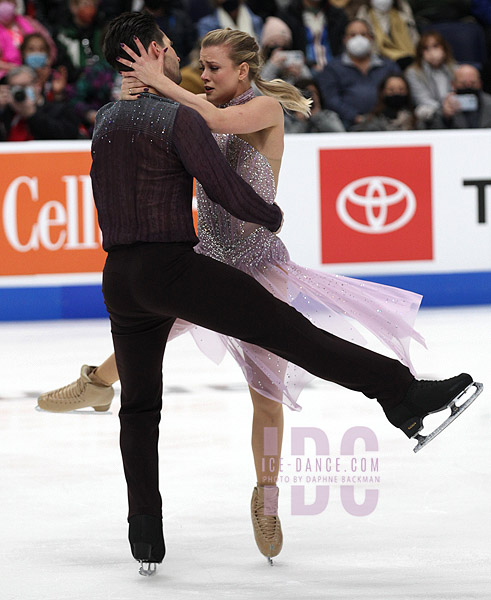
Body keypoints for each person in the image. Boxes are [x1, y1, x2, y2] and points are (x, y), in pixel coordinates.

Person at [42, 13, 479, 574]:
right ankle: (400, 394)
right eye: (186, 58)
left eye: (211, 66)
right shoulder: (179, 114)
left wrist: (149, 85)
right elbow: (217, 170)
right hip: (195, 267)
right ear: (153, 52)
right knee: (291, 338)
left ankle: (225, 508)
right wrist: (266, 212)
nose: (198, 71)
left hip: (169, 273)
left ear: (243, 69)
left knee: (229, 386)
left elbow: (191, 119)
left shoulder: (173, 113)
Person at [315, 18, 400, 129]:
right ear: (344, 39)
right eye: (353, 35)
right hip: (346, 124)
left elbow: (400, 93)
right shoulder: (332, 68)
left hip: (386, 123)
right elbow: (331, 99)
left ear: (371, 38)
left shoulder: (388, 66)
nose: (358, 39)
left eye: (363, 34)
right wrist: (355, 117)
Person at [0, 64, 80, 139]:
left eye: (24, 86)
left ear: (37, 85)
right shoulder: (6, 112)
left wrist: (32, 114)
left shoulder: (60, 109)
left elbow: (68, 135)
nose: (19, 91)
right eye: (14, 87)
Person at [405, 31, 456, 128]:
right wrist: (443, 109)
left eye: (435, 46)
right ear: (421, 52)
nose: (432, 52)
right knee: (423, 111)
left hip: (453, 110)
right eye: (426, 48)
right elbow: (421, 99)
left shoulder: (454, 69)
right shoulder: (413, 72)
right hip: (432, 112)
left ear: (444, 48)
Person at [355, 0, 418, 69]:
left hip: (409, 59)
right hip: (379, 61)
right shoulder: (365, 14)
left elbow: (414, 38)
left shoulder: (402, 11)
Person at [351, 73, 416, 130]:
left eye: (401, 90)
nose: (396, 93)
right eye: (391, 90)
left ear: (407, 92)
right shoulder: (372, 121)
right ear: (383, 92)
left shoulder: (416, 120)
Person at [439, 63, 491, 128]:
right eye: (463, 84)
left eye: (472, 83)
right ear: (453, 84)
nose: (468, 86)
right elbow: (432, 130)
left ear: (480, 84)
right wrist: (446, 117)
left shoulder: (489, 102)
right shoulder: (446, 103)